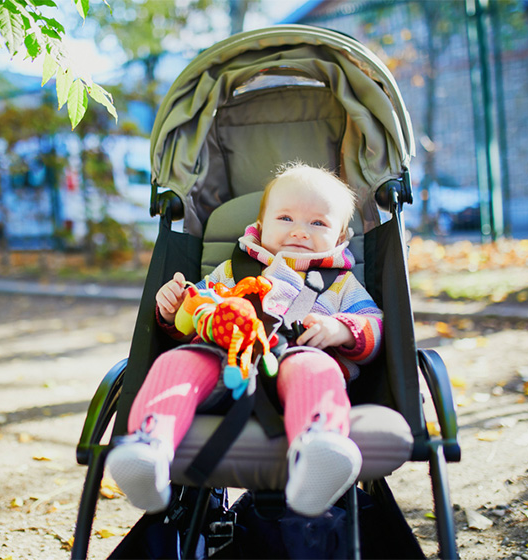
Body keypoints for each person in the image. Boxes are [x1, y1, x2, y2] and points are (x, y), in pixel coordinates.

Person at [106, 162, 383, 518]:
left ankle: (319, 449)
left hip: (295, 361)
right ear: (260, 225)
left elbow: (375, 325)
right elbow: (196, 315)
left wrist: (344, 329)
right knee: (175, 362)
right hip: (224, 364)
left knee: (317, 368)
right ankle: (150, 446)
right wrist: (174, 309)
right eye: (285, 218)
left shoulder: (342, 284)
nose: (299, 231)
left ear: (341, 237)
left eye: (317, 223)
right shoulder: (230, 270)